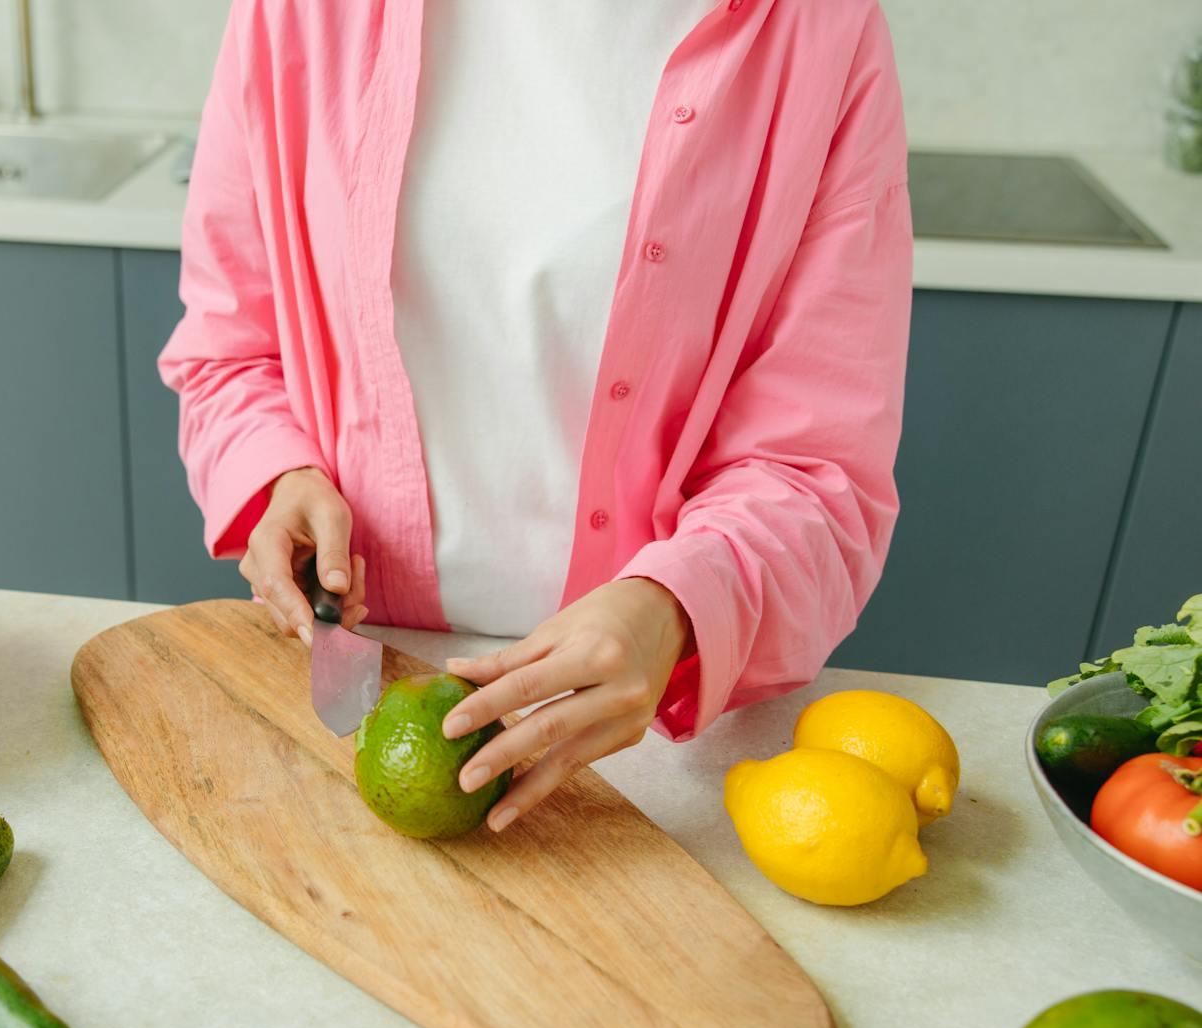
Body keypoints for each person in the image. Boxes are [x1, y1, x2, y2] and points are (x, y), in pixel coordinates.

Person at [159, 0, 912, 832]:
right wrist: (277, 473)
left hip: (645, 736)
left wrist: (673, 606)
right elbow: (230, 352)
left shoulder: (816, 29)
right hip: (369, 682)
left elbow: (820, 469)